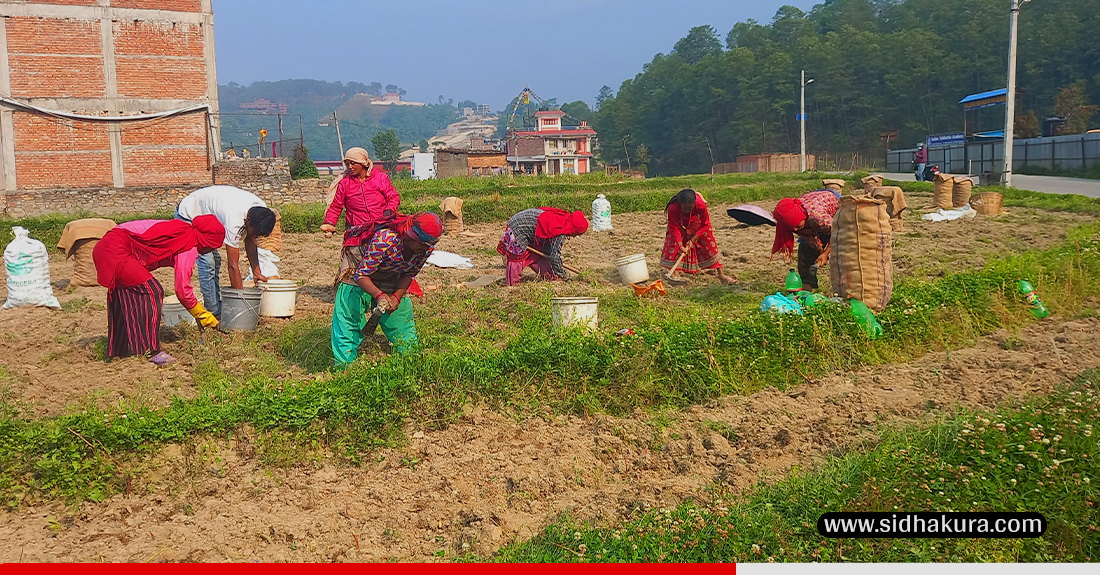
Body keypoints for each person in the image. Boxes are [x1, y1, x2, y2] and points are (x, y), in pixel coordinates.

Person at [93, 216, 225, 365]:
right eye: (212, 246)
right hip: (116, 249)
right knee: (151, 290)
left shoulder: (181, 231)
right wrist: (203, 315)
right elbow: (182, 291)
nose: (208, 251)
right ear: (207, 240)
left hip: (108, 245)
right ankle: (152, 351)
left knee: (126, 295)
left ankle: (119, 349)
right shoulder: (188, 244)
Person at [331, 212, 442, 367]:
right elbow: (362, 275)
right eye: (423, 244)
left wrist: (396, 297)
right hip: (358, 266)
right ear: (410, 236)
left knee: (400, 315)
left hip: (391, 271)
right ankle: (345, 367)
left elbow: (409, 274)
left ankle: (409, 362)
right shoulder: (386, 239)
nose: (426, 249)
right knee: (350, 313)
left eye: (429, 245)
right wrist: (379, 295)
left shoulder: (425, 248)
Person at [175, 186, 278, 317]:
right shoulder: (234, 220)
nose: (256, 236)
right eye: (254, 232)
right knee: (208, 262)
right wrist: (241, 299)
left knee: (215, 260)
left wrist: (256, 271)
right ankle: (214, 312)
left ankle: (215, 305)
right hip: (188, 214)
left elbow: (251, 240)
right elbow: (232, 265)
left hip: (208, 213)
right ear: (247, 221)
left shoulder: (262, 211)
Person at [320, 147, 402, 287]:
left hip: (379, 228)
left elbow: (393, 197)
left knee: (381, 263)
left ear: (363, 163)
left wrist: (389, 210)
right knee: (353, 266)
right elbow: (336, 206)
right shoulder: (345, 183)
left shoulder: (380, 178)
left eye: (353, 163)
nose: (350, 167)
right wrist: (330, 222)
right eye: (347, 164)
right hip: (356, 230)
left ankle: (381, 290)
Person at [660, 189, 736, 285]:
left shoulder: (700, 205)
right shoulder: (673, 208)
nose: (687, 211)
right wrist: (680, 245)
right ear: (680, 204)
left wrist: (694, 238)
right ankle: (675, 274)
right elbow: (673, 227)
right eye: (685, 209)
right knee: (673, 241)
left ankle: (722, 276)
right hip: (680, 224)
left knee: (709, 244)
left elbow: (706, 224)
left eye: (690, 208)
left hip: (697, 223)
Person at [496, 207, 588, 286]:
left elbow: (549, 251)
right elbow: (554, 256)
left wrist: (557, 271)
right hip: (519, 227)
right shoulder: (561, 230)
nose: (575, 236)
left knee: (540, 253)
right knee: (517, 257)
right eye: (577, 234)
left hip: (529, 227)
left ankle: (549, 277)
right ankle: (513, 283)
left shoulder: (564, 220)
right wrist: (564, 276)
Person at [771, 190, 841, 291]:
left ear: (801, 216)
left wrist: (826, 253)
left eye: (797, 226)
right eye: (793, 228)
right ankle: (806, 292)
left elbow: (837, 231)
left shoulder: (818, 217)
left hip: (832, 203)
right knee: (805, 254)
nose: (795, 230)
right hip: (811, 217)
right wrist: (820, 251)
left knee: (842, 250)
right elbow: (809, 237)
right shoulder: (793, 224)